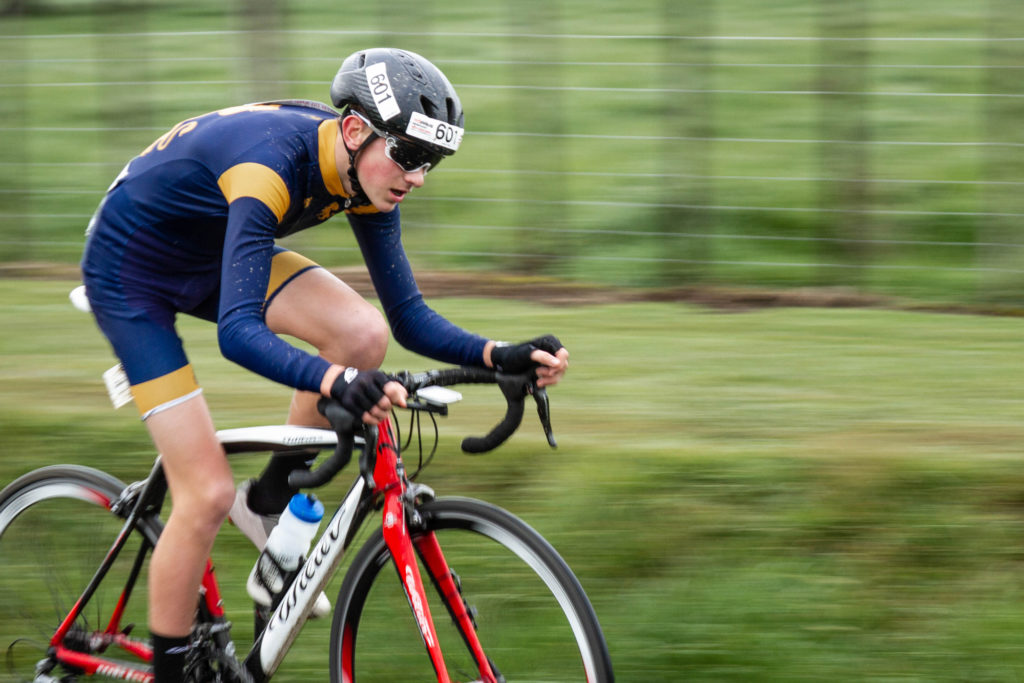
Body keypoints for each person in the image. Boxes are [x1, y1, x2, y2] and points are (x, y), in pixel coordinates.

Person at [80, 47, 569, 683]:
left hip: (210, 250)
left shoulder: (367, 175)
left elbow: (407, 320)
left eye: (433, 161)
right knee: (203, 492)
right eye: (411, 156)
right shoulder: (270, 168)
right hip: (131, 273)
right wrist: (336, 382)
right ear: (356, 129)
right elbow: (238, 333)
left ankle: (271, 497)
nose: (419, 177)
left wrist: (498, 354)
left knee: (360, 335)